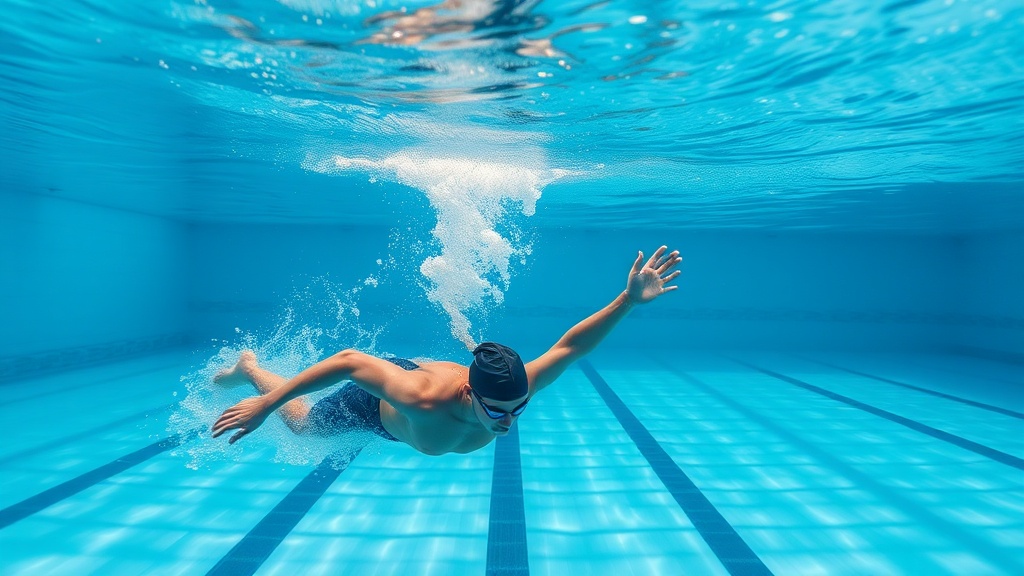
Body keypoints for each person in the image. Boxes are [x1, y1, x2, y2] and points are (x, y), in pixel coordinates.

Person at [212, 246, 682, 456]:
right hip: (376, 407)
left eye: (518, 410)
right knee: (302, 428)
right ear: (470, 395)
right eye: (499, 412)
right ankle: (250, 367)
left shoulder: (512, 392)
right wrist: (264, 407)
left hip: (414, 413)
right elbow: (348, 362)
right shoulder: (421, 397)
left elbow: (570, 346)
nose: (509, 422)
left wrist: (627, 301)